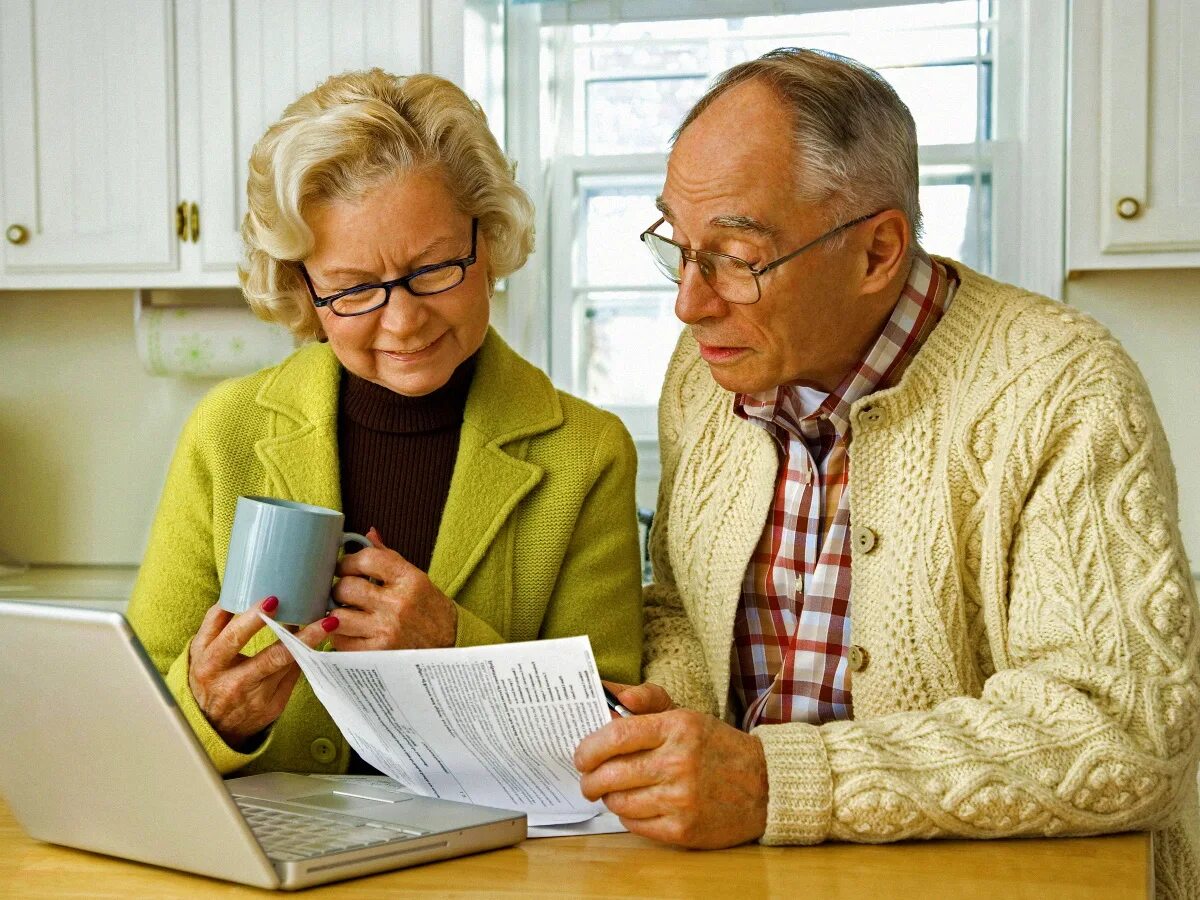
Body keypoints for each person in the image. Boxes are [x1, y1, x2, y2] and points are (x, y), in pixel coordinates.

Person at [573, 48, 1200, 897]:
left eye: (736, 257)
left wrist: (771, 782)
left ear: (876, 252)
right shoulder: (705, 370)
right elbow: (684, 605)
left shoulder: (1063, 385)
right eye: (678, 247)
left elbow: (1122, 733)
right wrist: (672, 721)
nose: (690, 303)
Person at [127, 69, 643, 777]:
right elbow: (136, 713)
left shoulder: (587, 454)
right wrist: (213, 715)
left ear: (487, 238)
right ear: (304, 289)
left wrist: (451, 645)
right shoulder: (228, 432)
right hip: (276, 871)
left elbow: (614, 731)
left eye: (433, 270)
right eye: (354, 289)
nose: (403, 321)